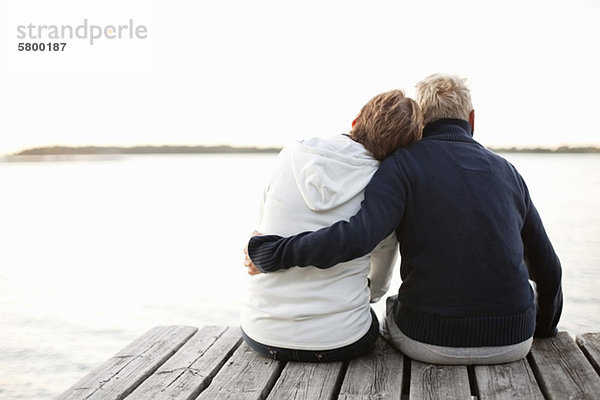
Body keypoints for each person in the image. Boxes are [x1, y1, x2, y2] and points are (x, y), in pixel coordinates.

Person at [246, 74, 563, 365]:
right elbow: (548, 267)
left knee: (394, 305)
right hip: (515, 341)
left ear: (420, 124)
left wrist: (273, 252)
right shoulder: (508, 172)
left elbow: (358, 237)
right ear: (472, 118)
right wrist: (545, 328)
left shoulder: (400, 166)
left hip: (428, 340)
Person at [240, 89, 423, 362]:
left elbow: (262, 231)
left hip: (263, 332)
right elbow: (379, 284)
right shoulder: (384, 190)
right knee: (372, 318)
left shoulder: (291, 154)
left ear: (356, 120)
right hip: (341, 340)